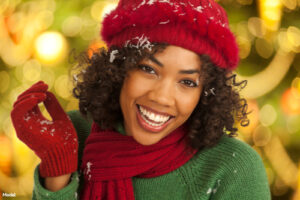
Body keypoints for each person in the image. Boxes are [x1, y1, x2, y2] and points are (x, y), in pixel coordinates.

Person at [11, 0, 271, 199]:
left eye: (187, 82)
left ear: (205, 94)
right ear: (119, 68)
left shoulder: (233, 168)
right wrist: (58, 170)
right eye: (148, 69)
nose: (161, 96)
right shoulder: (74, 136)